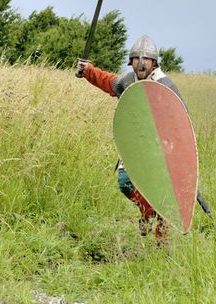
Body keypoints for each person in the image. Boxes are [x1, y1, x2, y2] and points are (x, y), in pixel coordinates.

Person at [77, 35, 188, 243]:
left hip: (159, 148)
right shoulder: (128, 82)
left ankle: (162, 244)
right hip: (135, 145)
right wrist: (88, 71)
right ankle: (146, 211)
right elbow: (108, 82)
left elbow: (181, 119)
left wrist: (174, 151)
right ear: (131, 62)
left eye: (146, 59)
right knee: (125, 183)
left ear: (154, 62)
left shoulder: (165, 84)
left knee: (162, 193)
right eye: (136, 58)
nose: (141, 62)